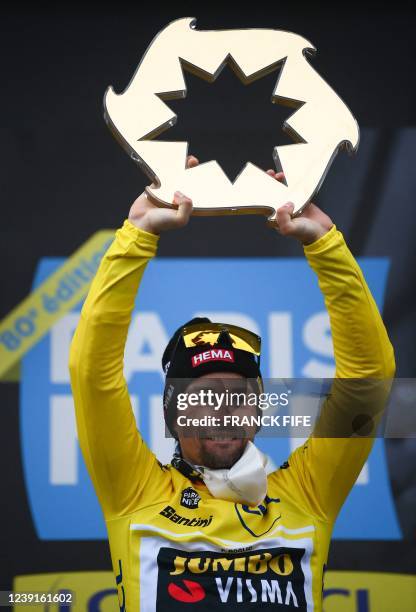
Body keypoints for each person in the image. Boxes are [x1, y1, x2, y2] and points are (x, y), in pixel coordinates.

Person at [69, 154, 395, 611]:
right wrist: (137, 235)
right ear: (172, 412)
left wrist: (325, 244)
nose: (221, 409)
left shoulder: (307, 494)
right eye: (202, 395)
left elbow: (367, 382)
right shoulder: (134, 491)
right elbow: (92, 374)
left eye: (237, 394)